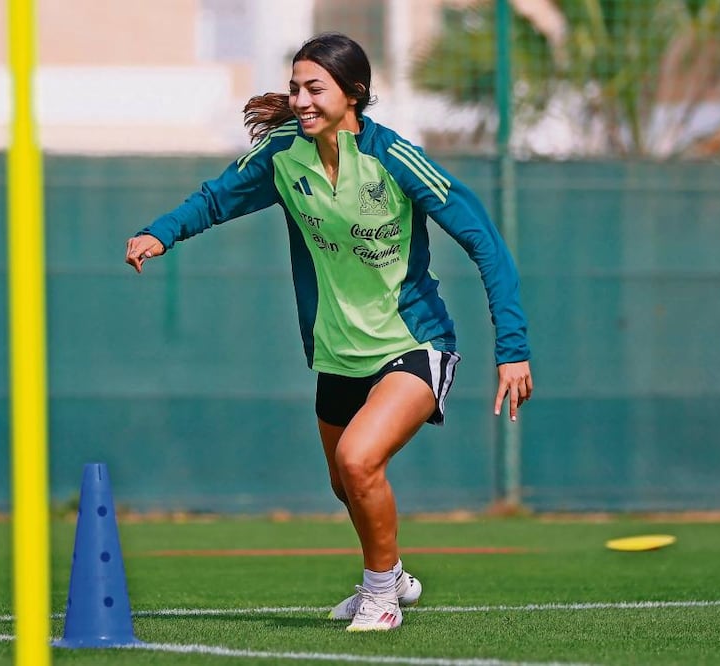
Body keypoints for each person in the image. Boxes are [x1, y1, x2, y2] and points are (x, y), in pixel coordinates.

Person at [125, 32, 533, 632]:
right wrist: (162, 232)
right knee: (345, 482)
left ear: (353, 94)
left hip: (414, 343)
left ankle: (381, 596)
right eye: (295, 88)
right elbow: (215, 200)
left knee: (358, 459)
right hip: (338, 353)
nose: (300, 100)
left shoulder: (395, 159)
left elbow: (486, 242)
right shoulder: (283, 155)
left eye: (314, 88)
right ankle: (393, 576)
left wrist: (512, 349)